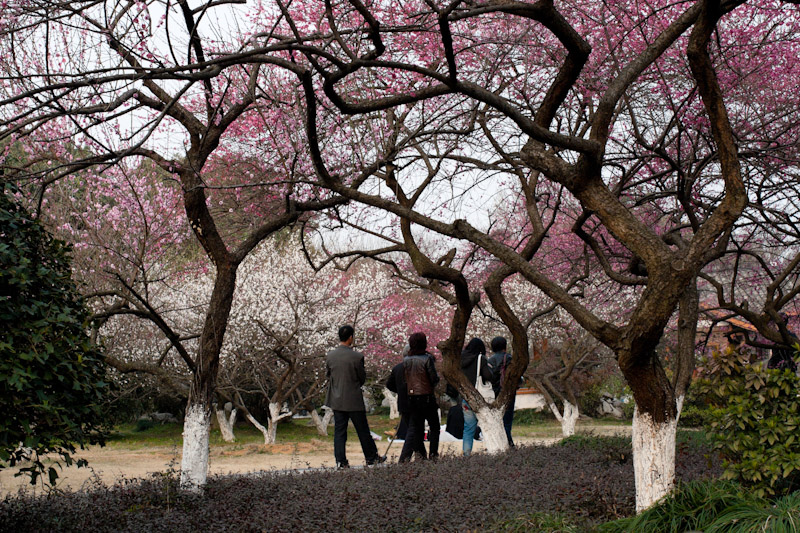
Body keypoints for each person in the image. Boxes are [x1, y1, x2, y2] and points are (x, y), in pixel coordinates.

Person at [325, 324, 386, 468]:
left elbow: (329, 375)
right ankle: (371, 457)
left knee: (339, 432)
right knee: (362, 430)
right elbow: (361, 378)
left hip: (337, 399)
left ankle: (341, 461)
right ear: (351, 337)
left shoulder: (330, 356)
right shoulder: (357, 357)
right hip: (353, 399)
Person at [386, 333, 440, 462]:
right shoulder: (427, 359)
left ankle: (421, 455)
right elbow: (433, 379)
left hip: (412, 399)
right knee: (434, 427)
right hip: (427, 398)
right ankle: (433, 455)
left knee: (417, 429)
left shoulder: (406, 362)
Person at [459, 337, 493, 457]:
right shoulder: (480, 359)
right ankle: (492, 451)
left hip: (466, 398)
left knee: (468, 428)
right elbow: (488, 375)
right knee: (486, 425)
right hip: (480, 397)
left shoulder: (460, 360)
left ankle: (466, 454)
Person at [488, 336, 517, 447]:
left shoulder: (490, 360)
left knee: (498, 420)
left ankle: (504, 444)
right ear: (505, 346)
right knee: (507, 420)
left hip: (494, 393)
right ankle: (509, 444)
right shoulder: (510, 358)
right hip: (508, 392)